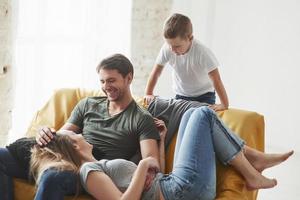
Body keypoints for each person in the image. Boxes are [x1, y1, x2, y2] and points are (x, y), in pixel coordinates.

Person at [31, 107, 293, 200]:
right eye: (77, 135)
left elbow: (159, 177)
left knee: (194, 113)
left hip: (174, 187)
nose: (81, 134)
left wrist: (163, 139)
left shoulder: (98, 164)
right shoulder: (89, 171)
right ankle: (251, 168)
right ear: (76, 146)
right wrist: (143, 166)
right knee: (202, 114)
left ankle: (252, 161)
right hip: (182, 192)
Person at [0, 54, 160, 200]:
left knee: (52, 177)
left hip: (91, 172)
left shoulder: (141, 118)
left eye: (111, 80)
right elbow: (63, 134)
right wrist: (45, 132)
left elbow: (151, 161)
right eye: (102, 81)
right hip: (62, 156)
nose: (106, 86)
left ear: (129, 78)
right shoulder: (88, 104)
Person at [144, 13, 229, 111]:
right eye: (169, 44)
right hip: (181, 96)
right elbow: (156, 73)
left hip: (204, 96)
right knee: (178, 123)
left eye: (177, 46)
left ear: (190, 38)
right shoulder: (167, 49)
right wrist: (148, 93)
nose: (172, 49)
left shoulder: (202, 52)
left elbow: (216, 79)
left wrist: (224, 104)